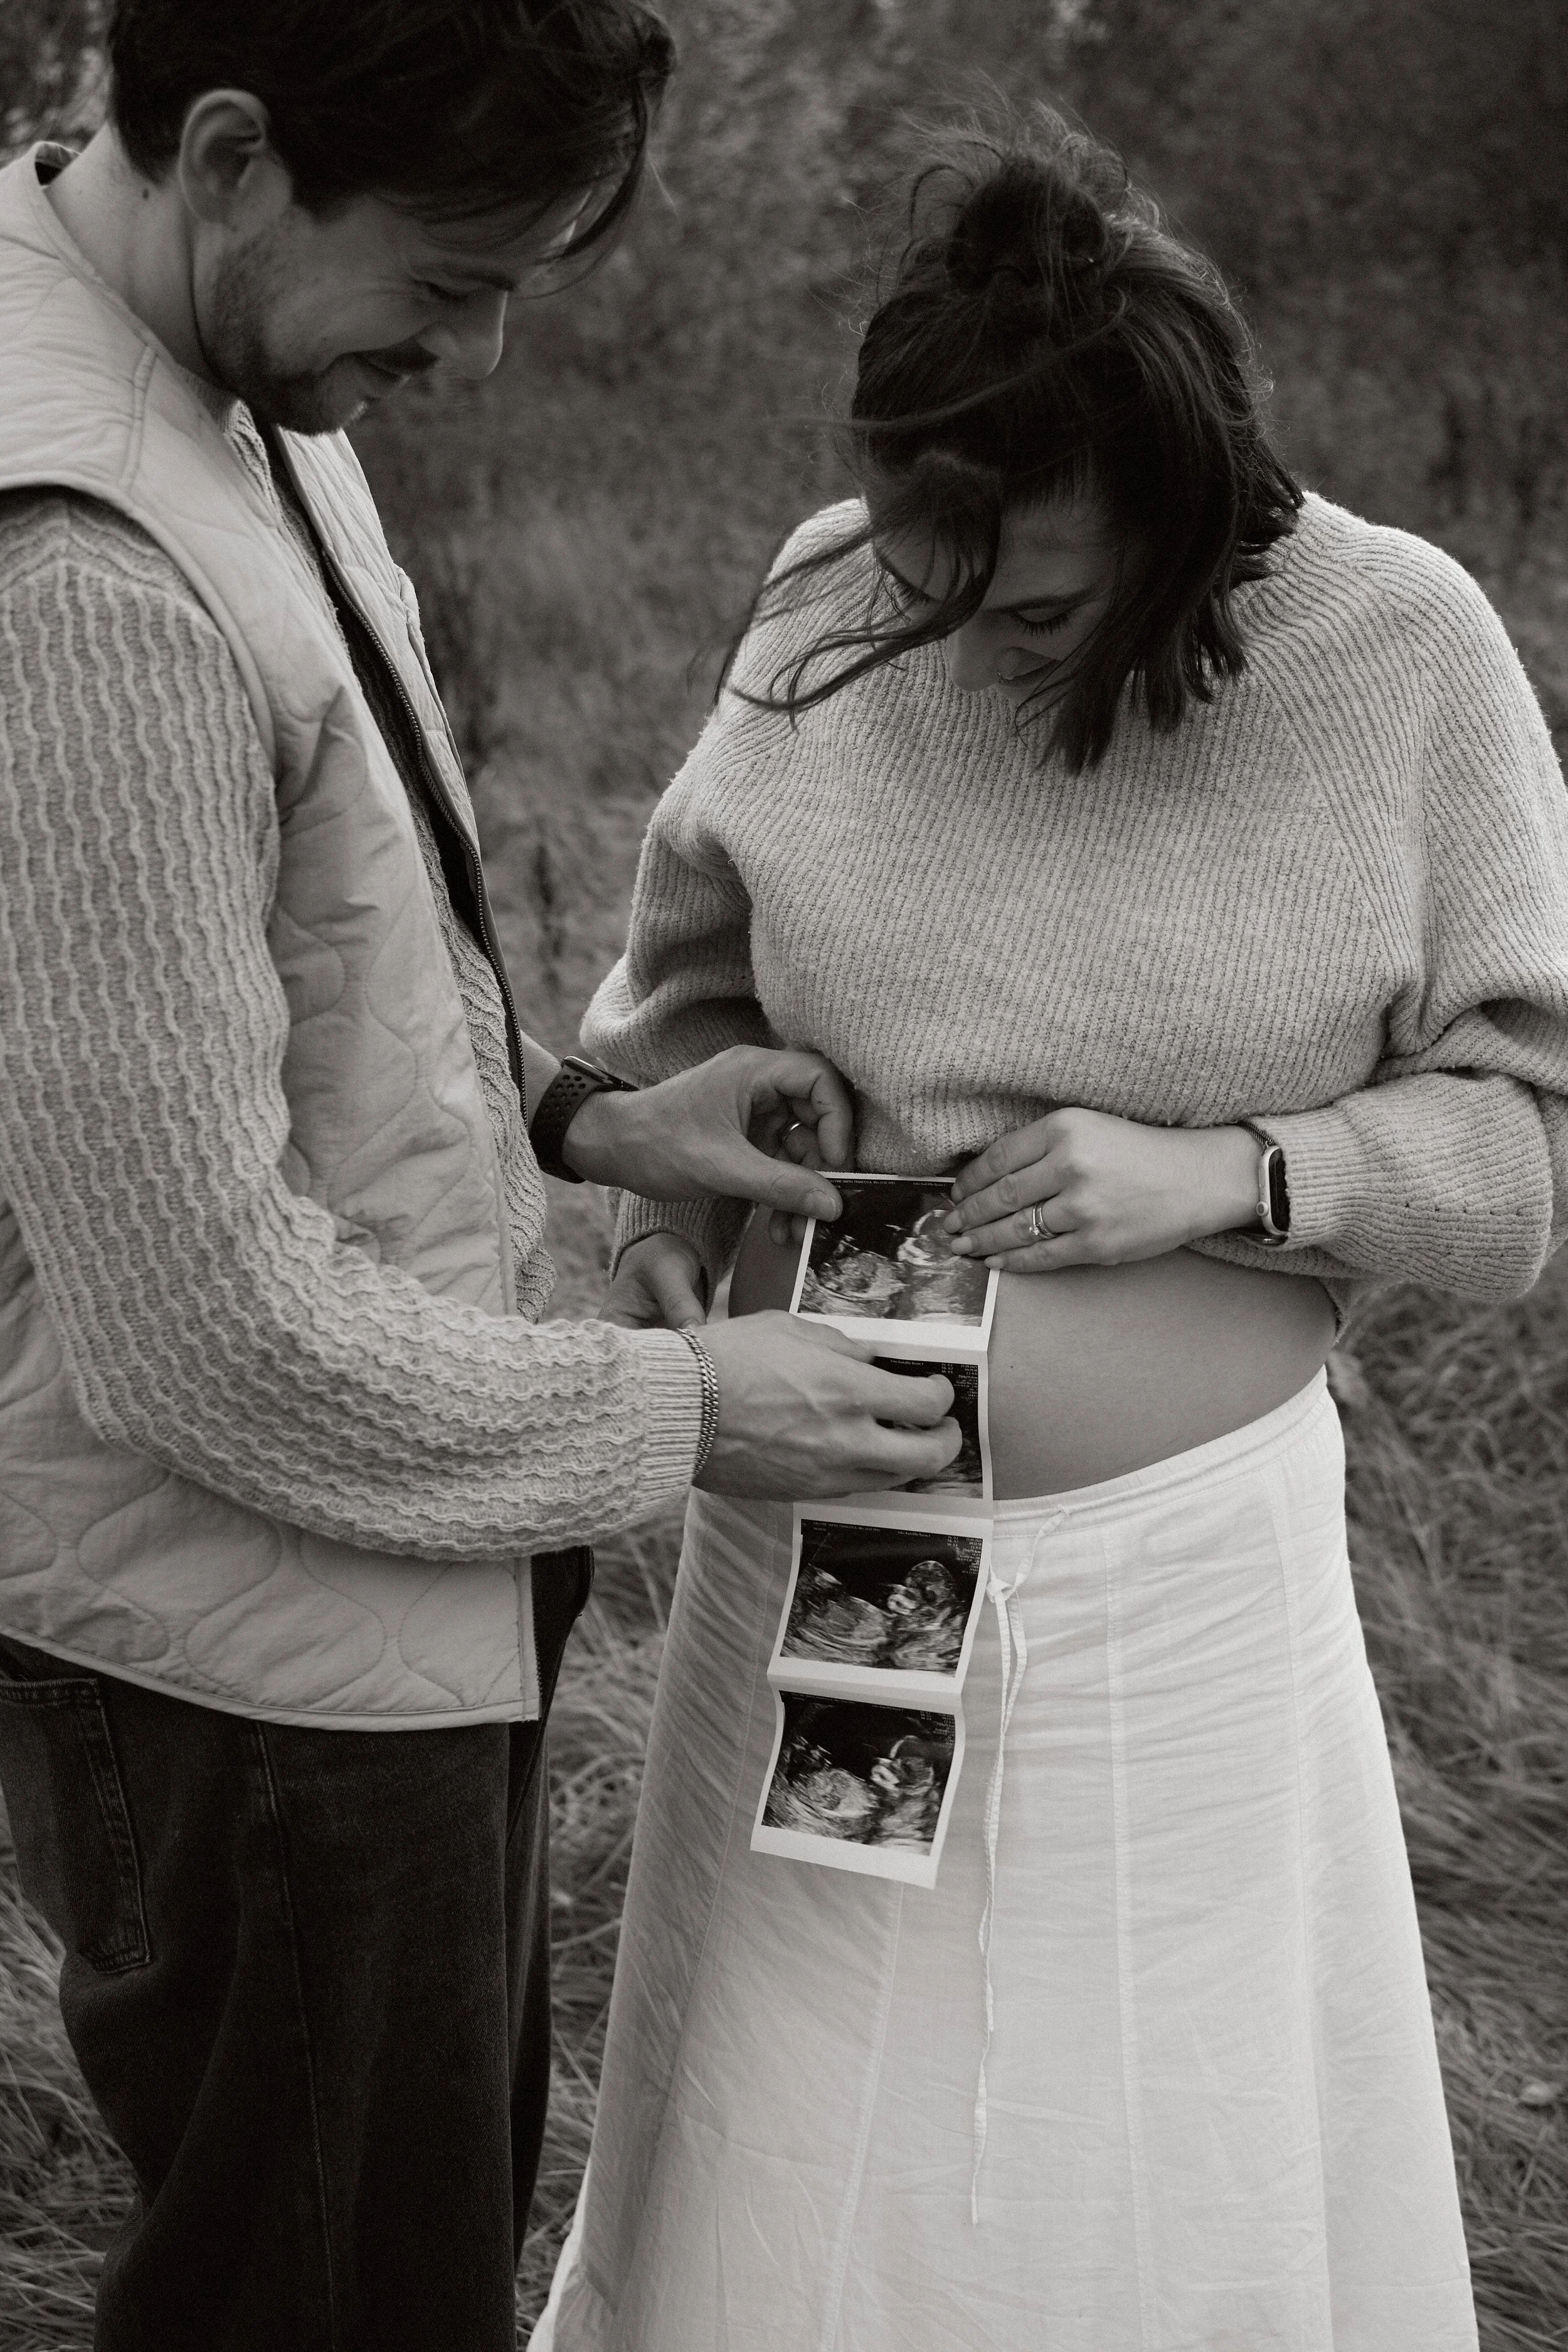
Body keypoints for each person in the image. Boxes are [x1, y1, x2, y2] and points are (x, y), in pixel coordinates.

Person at [534, 109, 1568, 2352]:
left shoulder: (1399, 653)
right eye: (924, 569)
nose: (952, 636)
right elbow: (666, 1017)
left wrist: (1232, 1173)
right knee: (791, 2154)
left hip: (1170, 1616)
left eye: (1032, 598)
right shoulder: (839, 591)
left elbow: (1520, 1165)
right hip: (808, 1576)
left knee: (1139, 2152)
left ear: (1193, 520)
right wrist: (660, 1221)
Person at [0, 9, 962, 2347]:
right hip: (252, 1658)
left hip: (363, 1576)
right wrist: (690, 1412)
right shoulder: (88, 582)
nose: (485, 344)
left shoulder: (231, 384)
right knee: (326, 2291)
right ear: (234, 157)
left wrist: (593, 1116)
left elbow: (284, 963)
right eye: (447, 276)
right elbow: (197, 1322)